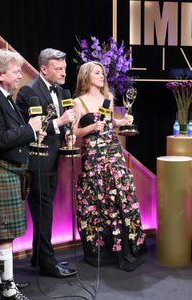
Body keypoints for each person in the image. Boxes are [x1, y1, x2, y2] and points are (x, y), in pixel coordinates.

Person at [0, 49, 45, 300]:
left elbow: (12, 135)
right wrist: (30, 129)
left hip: (8, 172)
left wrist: (33, 134)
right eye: (16, 72)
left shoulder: (5, 97)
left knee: (5, 233)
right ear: (0, 74)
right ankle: (8, 288)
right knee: (4, 234)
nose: (20, 77)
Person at [71, 61, 146, 271]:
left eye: (103, 73)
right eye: (98, 73)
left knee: (121, 192)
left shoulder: (108, 99)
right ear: (86, 76)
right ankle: (101, 249)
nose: (102, 76)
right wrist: (93, 127)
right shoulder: (79, 102)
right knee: (97, 197)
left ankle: (126, 244)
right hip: (93, 154)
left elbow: (110, 123)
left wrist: (121, 122)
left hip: (113, 151)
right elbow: (74, 133)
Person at [16, 48, 77, 278]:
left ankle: (38, 257)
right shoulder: (27, 92)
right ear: (43, 69)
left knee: (44, 212)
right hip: (37, 161)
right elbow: (31, 128)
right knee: (44, 213)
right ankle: (48, 264)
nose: (63, 73)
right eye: (58, 69)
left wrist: (68, 133)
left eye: (64, 68)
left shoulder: (63, 92)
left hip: (54, 160)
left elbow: (66, 123)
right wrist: (60, 122)